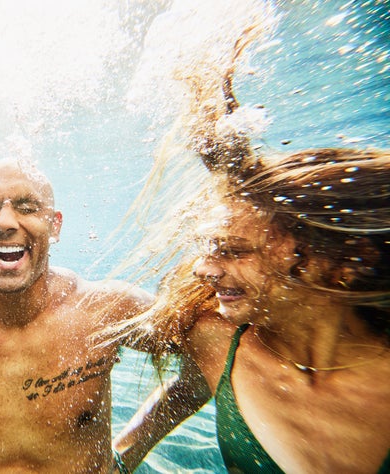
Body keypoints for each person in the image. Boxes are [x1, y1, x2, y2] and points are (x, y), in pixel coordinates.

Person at [113, 24, 390, 474]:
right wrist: (122, 456)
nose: (204, 268)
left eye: (235, 250)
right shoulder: (218, 341)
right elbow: (190, 386)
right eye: (210, 248)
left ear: (343, 263)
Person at [0, 158, 180, 473]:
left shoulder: (105, 309)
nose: (2, 222)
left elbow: (213, 349)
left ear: (55, 225)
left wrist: (125, 457)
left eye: (27, 208)